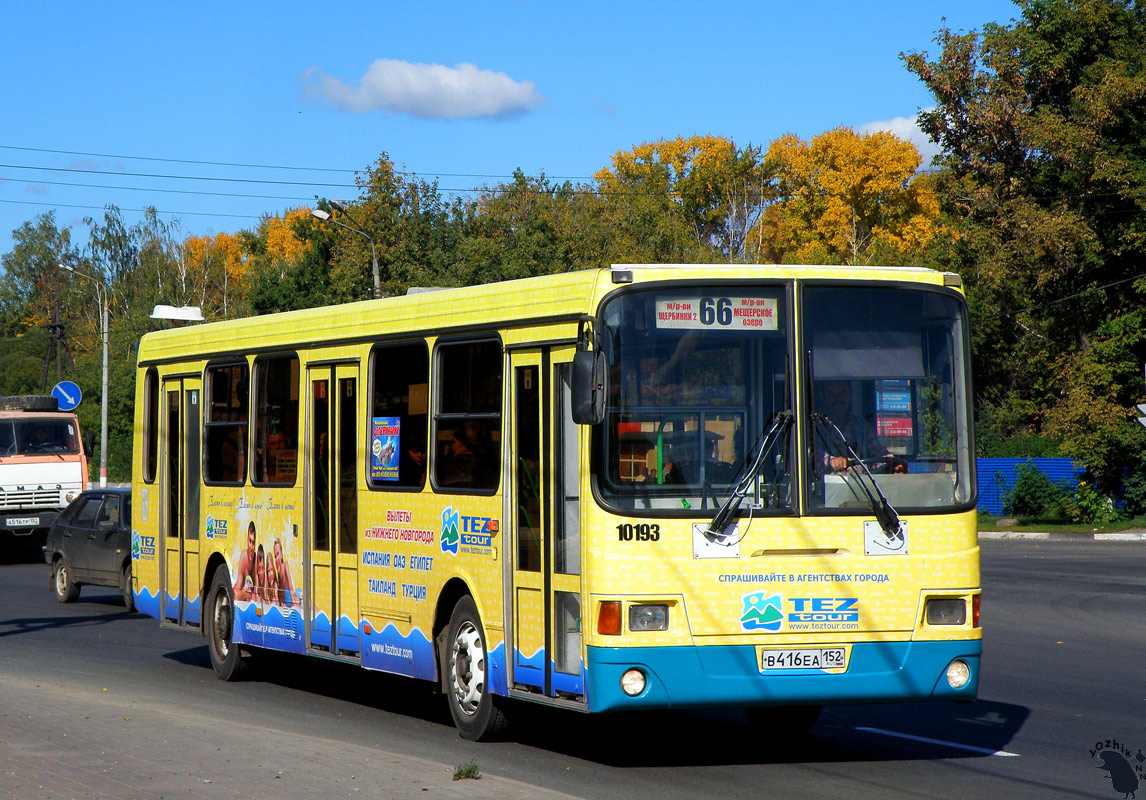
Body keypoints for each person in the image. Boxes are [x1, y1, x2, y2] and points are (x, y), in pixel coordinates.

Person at [815, 380, 905, 474]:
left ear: (850, 394)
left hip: (863, 485)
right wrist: (832, 461)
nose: (838, 398)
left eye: (843, 393)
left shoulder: (861, 426)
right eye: (832, 393)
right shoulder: (816, 427)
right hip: (830, 486)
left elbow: (879, 454)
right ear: (823, 396)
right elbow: (814, 456)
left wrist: (893, 465)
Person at [232, 521, 258, 601]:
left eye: (253, 543)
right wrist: (245, 593)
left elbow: (257, 593)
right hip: (246, 592)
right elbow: (238, 590)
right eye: (250, 542)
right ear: (247, 541)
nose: (252, 547)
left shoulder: (256, 560)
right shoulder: (243, 556)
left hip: (253, 595)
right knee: (236, 594)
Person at [273, 537, 298, 608]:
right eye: (275, 556)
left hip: (295, 598)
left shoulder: (285, 566)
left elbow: (291, 590)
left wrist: (293, 608)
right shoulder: (277, 574)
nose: (276, 559)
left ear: (281, 554)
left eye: (278, 554)